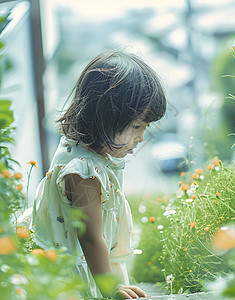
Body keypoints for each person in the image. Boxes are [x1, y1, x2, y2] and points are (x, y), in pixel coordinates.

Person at [32, 49, 167, 299]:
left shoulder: (85, 152)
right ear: (106, 118)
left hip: (92, 263)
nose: (141, 137)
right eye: (136, 126)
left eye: (145, 127)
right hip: (79, 270)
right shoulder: (83, 173)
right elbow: (91, 237)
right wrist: (109, 287)